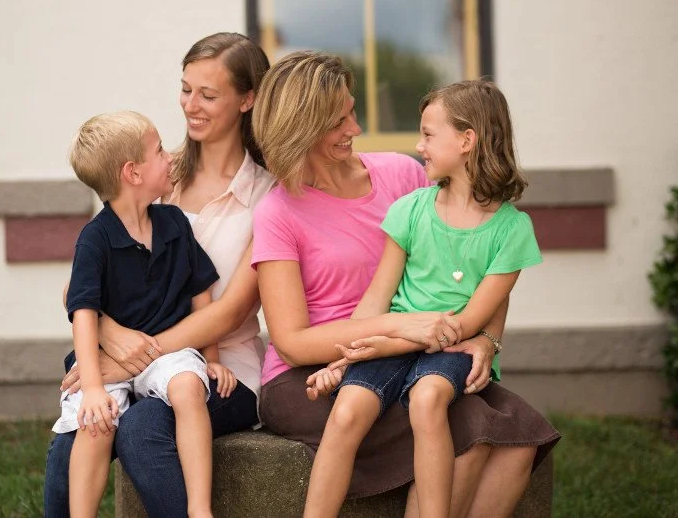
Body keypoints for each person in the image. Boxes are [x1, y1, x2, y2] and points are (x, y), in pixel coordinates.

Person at [251, 51, 560, 518]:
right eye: (339, 120)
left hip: (420, 348)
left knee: (516, 434)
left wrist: (487, 340)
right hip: (310, 374)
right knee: (471, 428)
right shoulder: (278, 212)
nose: (355, 128)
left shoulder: (403, 177)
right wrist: (401, 329)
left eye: (352, 111)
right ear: (303, 128)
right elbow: (292, 343)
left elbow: (480, 263)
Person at [43, 32, 274, 518]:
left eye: (208, 95)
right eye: (186, 88)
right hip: (137, 354)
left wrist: (132, 359)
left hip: (225, 368)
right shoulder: (149, 175)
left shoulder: (268, 196)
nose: (191, 105)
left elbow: (230, 310)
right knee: (77, 432)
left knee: (142, 428)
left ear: (247, 99)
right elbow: (81, 287)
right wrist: (111, 339)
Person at [54, 110, 221, 517]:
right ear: (132, 172)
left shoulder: (174, 222)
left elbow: (201, 292)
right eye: (160, 150)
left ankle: (200, 510)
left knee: (187, 388)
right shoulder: (94, 240)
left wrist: (212, 360)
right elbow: (83, 314)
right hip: (106, 363)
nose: (170, 157)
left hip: (168, 352)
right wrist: (93, 387)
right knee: (95, 425)